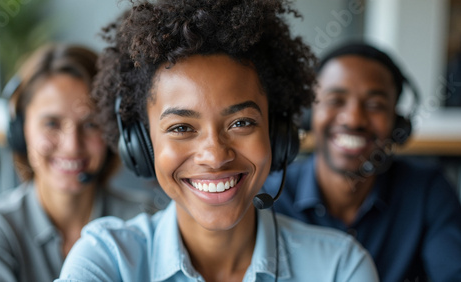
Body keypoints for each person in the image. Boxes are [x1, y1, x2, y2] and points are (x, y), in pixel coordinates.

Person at [56, 1, 379, 281]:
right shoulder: (106, 260)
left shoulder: (340, 267)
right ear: (141, 143)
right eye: (182, 128)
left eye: (241, 123)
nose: (214, 155)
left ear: (278, 132)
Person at [263, 42, 461, 282]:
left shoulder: (427, 190)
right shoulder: (269, 197)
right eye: (336, 100)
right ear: (309, 114)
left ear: (397, 124)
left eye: (375, 105)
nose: (354, 119)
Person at [0, 44, 152, 282]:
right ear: (20, 131)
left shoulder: (146, 222)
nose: (72, 145)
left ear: (112, 133)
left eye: (91, 124)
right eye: (51, 123)